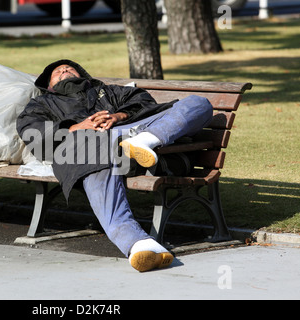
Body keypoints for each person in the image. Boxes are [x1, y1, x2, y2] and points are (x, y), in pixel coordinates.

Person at [16, 59, 213, 272]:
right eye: (57, 71)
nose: (64, 70)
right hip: (86, 145)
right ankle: (137, 244)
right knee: (94, 149)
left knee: (199, 104)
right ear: (49, 85)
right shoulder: (42, 104)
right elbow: (31, 132)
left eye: (69, 68)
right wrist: (78, 127)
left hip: (129, 134)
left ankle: (145, 141)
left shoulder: (107, 91)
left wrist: (118, 116)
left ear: (81, 74)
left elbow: (144, 101)